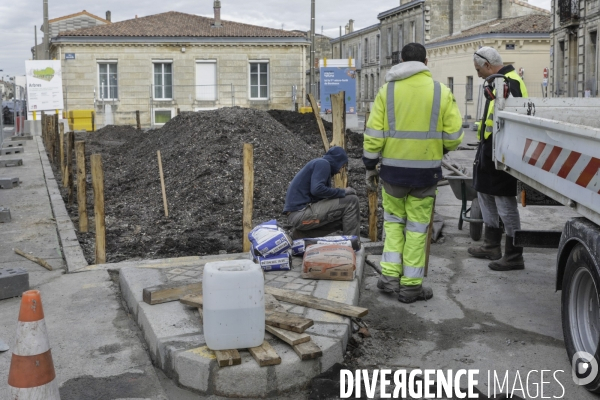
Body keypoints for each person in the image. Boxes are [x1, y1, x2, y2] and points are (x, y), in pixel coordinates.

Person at [363, 43, 464, 303]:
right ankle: (410, 287)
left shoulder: (388, 90)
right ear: (425, 63)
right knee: (418, 230)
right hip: (425, 176)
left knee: (394, 225)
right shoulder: (441, 92)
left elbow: (374, 134)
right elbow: (453, 137)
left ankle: (388, 279)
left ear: (401, 61)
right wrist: (435, 148)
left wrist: (369, 165)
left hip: (392, 174)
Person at [467, 46, 528, 271]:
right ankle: (491, 244)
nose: (478, 74)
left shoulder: (511, 82)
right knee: (484, 191)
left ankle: (513, 255)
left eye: (478, 69)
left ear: (488, 65)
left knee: (504, 200)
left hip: (503, 149)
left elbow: (515, 119)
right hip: (490, 146)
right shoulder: (499, 81)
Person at [283, 146, 360, 240]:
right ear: (336, 161)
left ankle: (299, 235)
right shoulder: (323, 163)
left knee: (344, 218)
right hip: (301, 215)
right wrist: (343, 191)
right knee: (352, 201)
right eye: (341, 166)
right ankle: (352, 245)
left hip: (297, 217)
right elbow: (317, 189)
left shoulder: (319, 165)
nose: (340, 171)